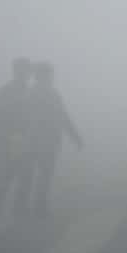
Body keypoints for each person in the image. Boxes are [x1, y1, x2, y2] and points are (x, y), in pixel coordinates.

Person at [15, 62, 82, 217]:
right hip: (45, 141)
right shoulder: (50, 94)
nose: (52, 78)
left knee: (29, 175)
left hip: (33, 141)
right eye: (49, 75)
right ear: (44, 76)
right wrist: (75, 137)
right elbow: (63, 116)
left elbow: (21, 119)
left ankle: (21, 207)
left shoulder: (31, 94)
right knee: (42, 175)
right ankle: (38, 207)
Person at [0, 57, 32, 214]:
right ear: (15, 71)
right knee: (10, 172)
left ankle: (19, 207)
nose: (25, 73)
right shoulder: (5, 91)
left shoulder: (30, 92)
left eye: (27, 70)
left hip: (26, 138)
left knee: (25, 174)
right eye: (22, 70)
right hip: (10, 138)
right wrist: (0, 138)